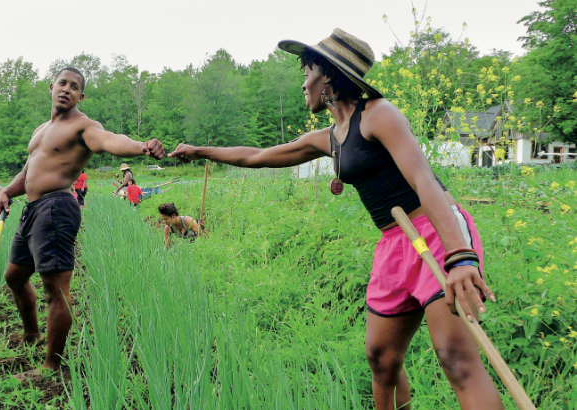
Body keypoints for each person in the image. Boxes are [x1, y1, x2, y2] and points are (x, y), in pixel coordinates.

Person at [169, 29, 501, 410]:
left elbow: (423, 178)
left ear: (327, 74)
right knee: (381, 358)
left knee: (455, 358)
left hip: (434, 232)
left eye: (306, 72)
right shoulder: (329, 137)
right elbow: (257, 156)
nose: (303, 83)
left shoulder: (379, 114)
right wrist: (200, 151)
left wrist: (459, 255)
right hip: (393, 243)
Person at [0, 67, 164, 380]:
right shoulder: (41, 130)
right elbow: (28, 172)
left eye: (74, 87)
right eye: (62, 83)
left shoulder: (83, 126)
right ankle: (32, 334)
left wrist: (141, 146)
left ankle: (51, 366)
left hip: (56, 208)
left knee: (54, 289)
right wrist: (5, 191)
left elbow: (110, 140)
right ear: (51, 87)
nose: (66, 89)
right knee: (14, 277)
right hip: (32, 209)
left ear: (80, 96)